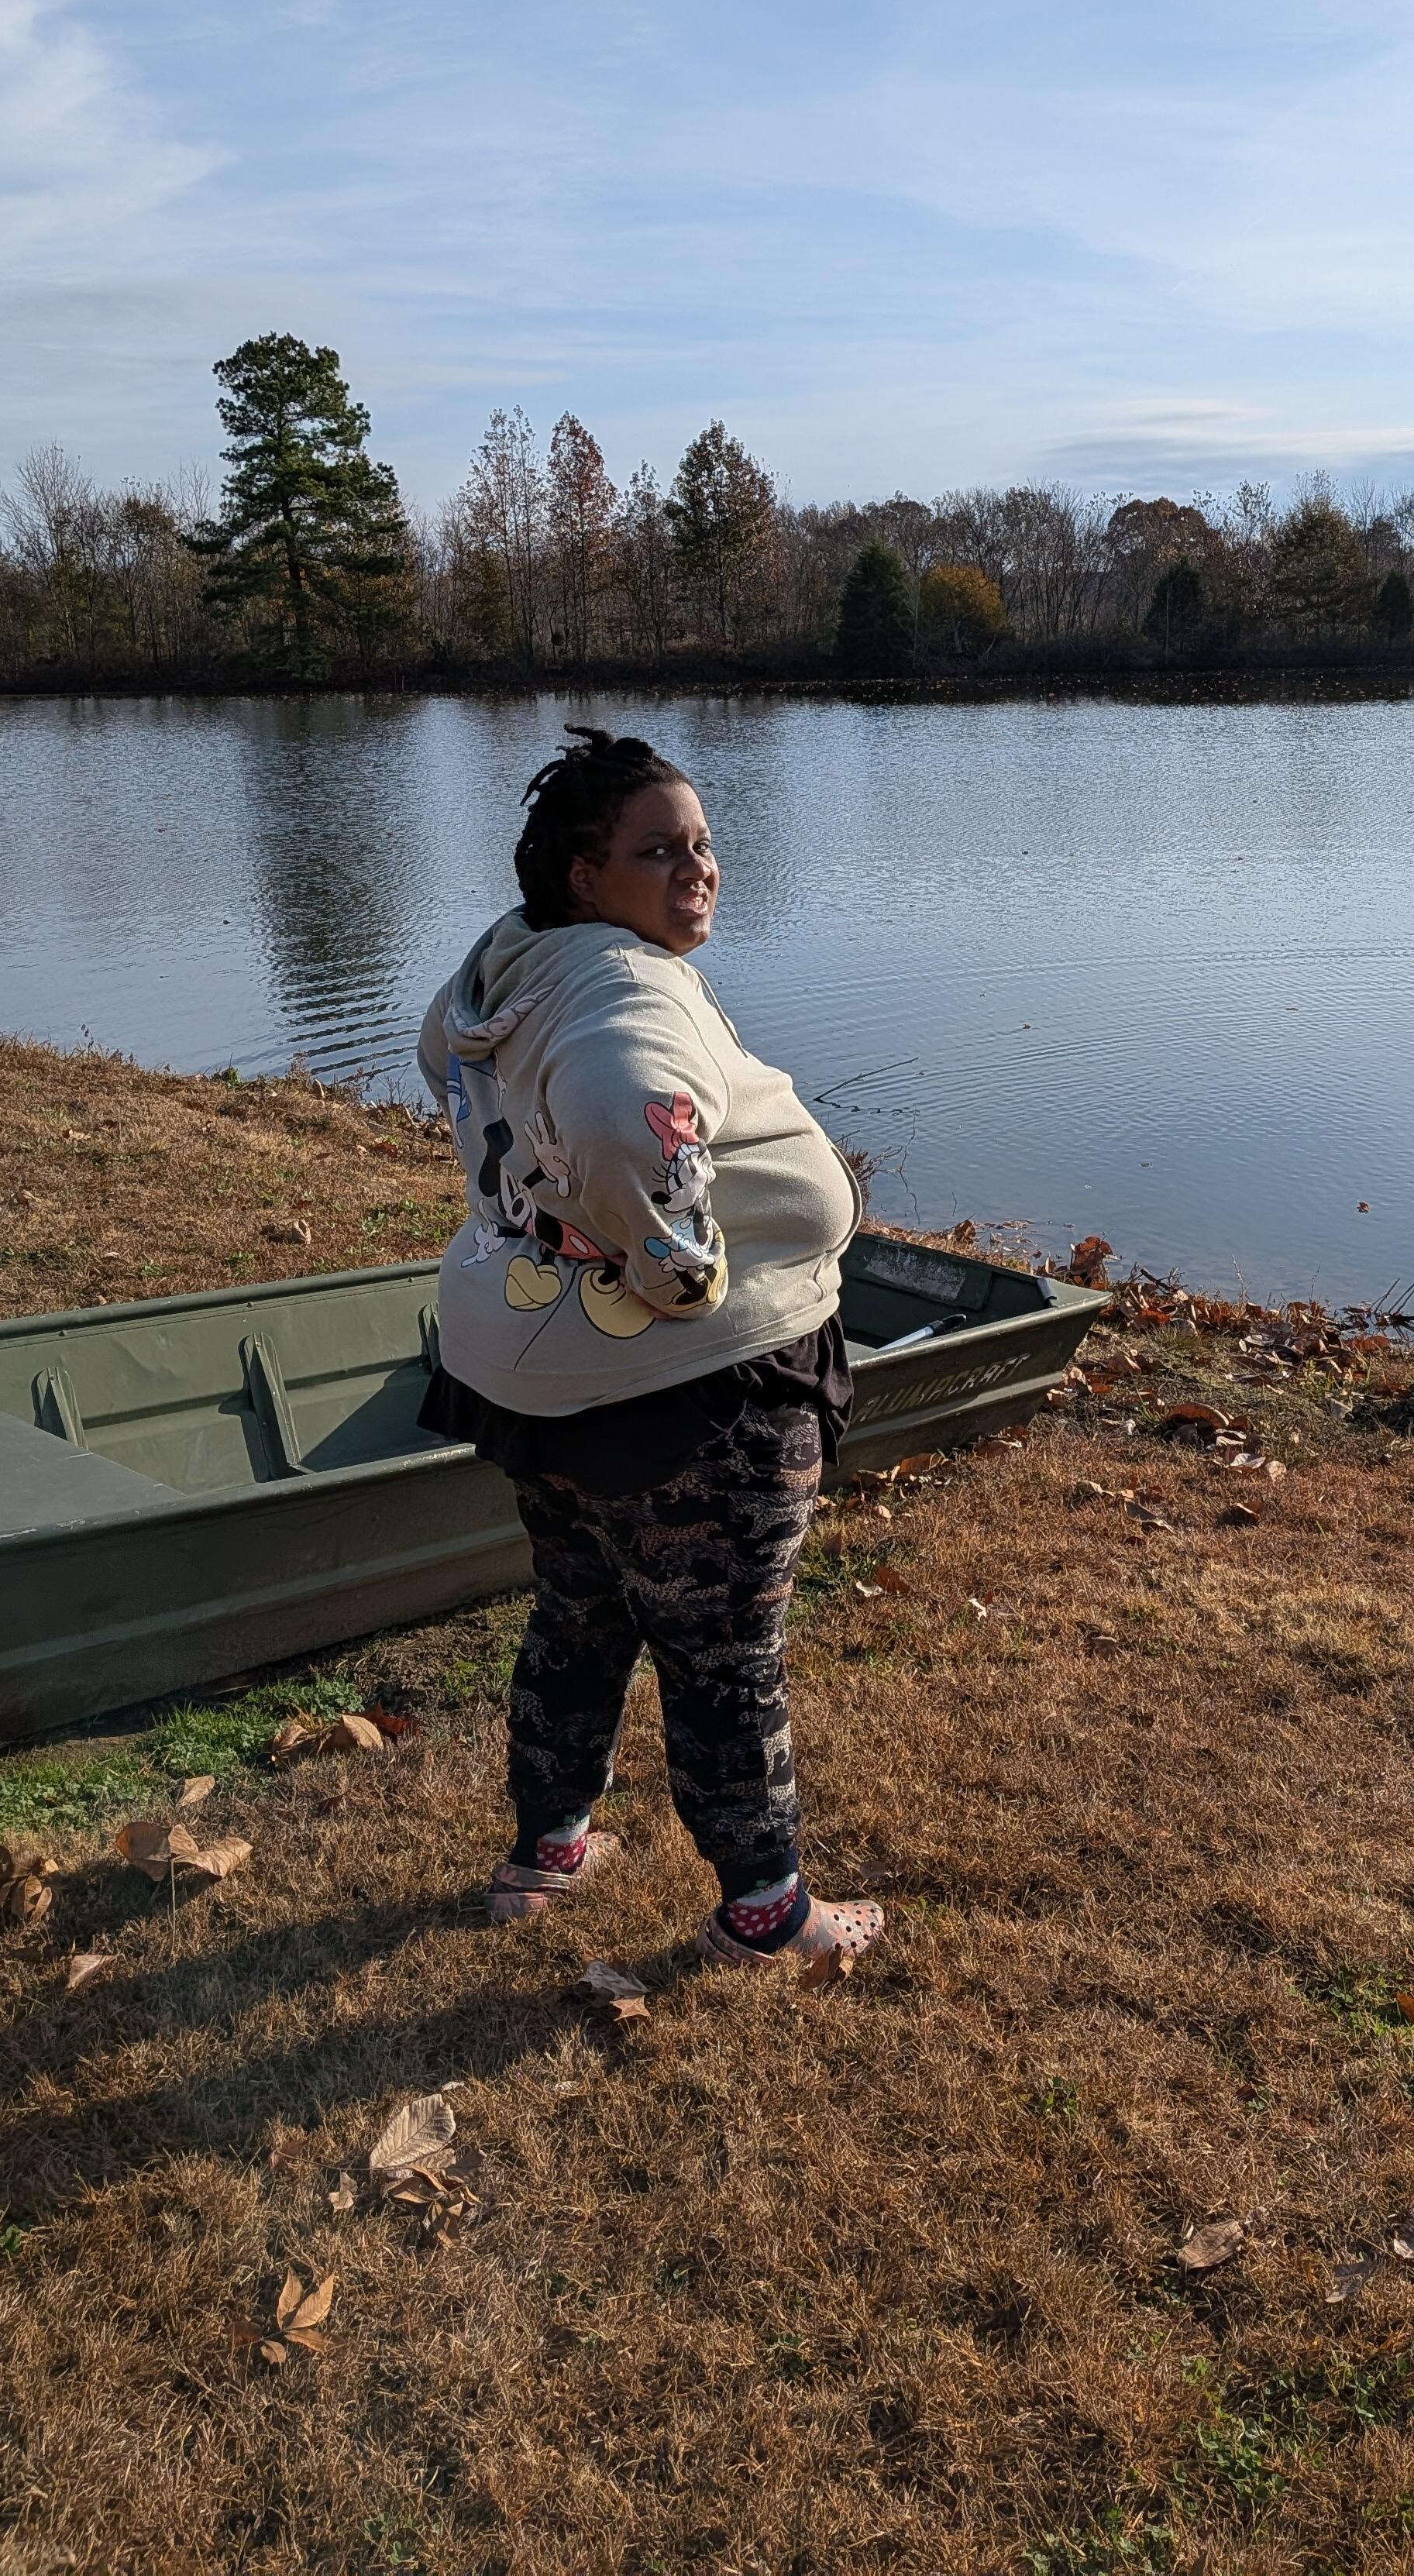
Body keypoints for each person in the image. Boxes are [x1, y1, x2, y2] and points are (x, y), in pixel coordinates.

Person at [417, 724, 884, 1969]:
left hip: (546, 1373)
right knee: (724, 1651)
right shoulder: (628, 991)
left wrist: (574, 1214)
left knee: (581, 1615)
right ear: (586, 876)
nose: (699, 869)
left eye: (704, 844)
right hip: (688, 1389)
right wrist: (680, 1268)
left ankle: (548, 1852)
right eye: (660, 851)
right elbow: (628, 1117)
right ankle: (767, 1919)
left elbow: (445, 1062)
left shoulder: (509, 969)